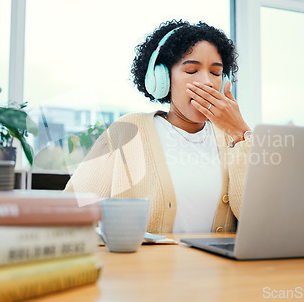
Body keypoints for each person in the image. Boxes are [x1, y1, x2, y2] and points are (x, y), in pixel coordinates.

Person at [64, 19, 252, 233]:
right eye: (191, 71)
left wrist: (240, 133)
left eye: (216, 73)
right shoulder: (126, 131)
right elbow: (70, 212)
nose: (207, 82)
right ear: (162, 79)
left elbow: (260, 222)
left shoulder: (235, 140)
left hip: (220, 268)